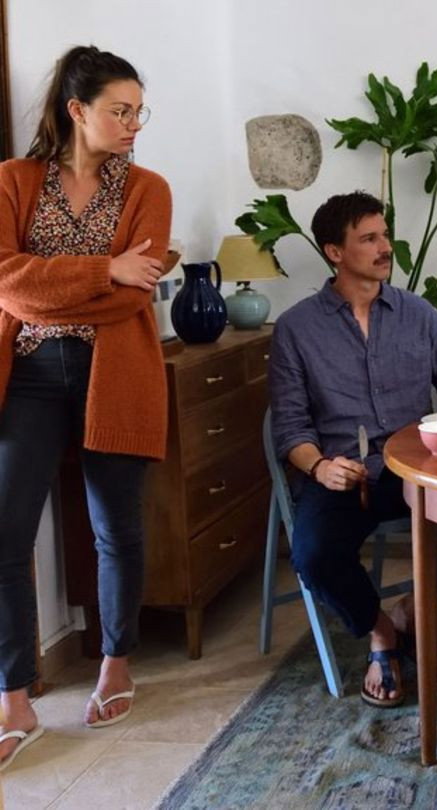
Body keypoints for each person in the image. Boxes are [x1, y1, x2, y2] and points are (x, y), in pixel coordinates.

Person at [0, 46, 170, 771]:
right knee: (6, 534)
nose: (133, 124)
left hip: (116, 370)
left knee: (115, 528)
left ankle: (115, 663)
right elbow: (6, 284)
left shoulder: (149, 189)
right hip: (28, 375)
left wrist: (49, 288)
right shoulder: (12, 181)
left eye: (139, 112)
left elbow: (138, 295)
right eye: (120, 110)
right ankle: (14, 698)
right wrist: (106, 268)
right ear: (77, 110)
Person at [268, 191, 437, 708]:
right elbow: (290, 428)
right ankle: (381, 631)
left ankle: (414, 610)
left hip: (415, 468)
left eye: (385, 235)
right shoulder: (296, 329)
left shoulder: (417, 314)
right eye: (369, 238)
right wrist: (319, 466)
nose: (385, 248)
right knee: (314, 555)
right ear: (335, 251)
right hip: (343, 473)